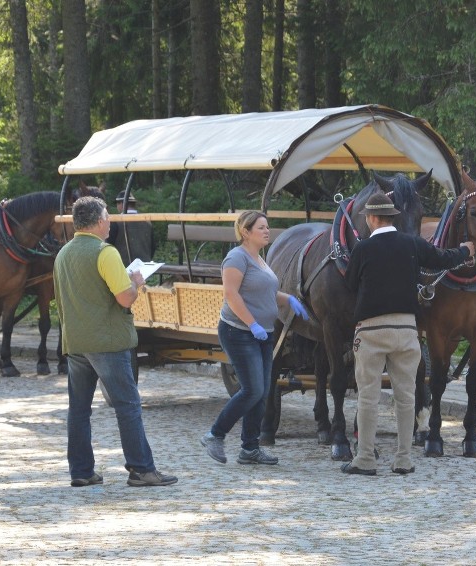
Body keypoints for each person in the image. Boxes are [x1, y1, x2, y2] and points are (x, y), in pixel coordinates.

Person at [341, 193, 475, 476]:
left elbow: (351, 285)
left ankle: (365, 458)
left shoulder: (362, 249)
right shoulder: (413, 244)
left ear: (372, 218)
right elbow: (442, 259)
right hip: (406, 331)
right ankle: (403, 459)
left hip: (371, 331)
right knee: (406, 397)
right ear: (393, 217)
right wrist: (466, 250)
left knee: (368, 397)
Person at [54, 196, 177, 488]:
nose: (110, 221)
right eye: (107, 216)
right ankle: (142, 470)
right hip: (108, 341)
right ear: (98, 221)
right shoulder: (105, 252)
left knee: (79, 409)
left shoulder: (63, 254)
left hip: (76, 341)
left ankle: (81, 471)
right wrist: (136, 281)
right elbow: (124, 297)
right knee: (128, 405)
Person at [201, 210, 308, 465]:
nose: (267, 231)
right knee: (252, 390)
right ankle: (215, 434)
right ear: (246, 232)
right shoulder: (236, 258)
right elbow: (232, 295)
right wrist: (252, 324)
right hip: (239, 331)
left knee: (262, 392)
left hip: (263, 333)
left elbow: (266, 291)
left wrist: (288, 299)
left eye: (267, 227)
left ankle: (249, 449)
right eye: (261, 227)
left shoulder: (260, 259)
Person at [110, 190, 155, 264]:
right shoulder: (147, 222)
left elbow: (109, 247)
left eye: (117, 203)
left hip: (123, 268)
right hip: (145, 268)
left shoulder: (115, 222)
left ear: (121, 204)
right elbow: (153, 247)